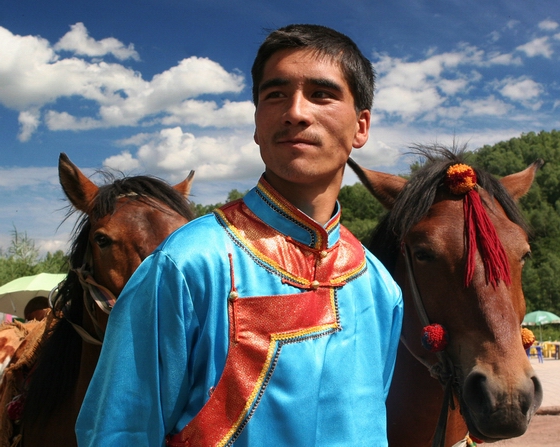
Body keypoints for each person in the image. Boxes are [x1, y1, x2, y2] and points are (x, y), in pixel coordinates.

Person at [76, 24, 403, 446]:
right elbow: (120, 434)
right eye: (275, 94)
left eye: (322, 94)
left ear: (361, 126)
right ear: (257, 124)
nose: (296, 112)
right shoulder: (186, 265)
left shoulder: (379, 288)